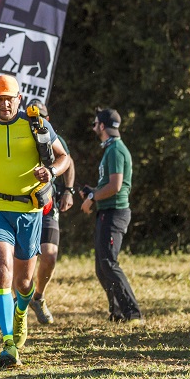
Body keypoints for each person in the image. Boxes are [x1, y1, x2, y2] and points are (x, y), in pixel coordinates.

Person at [0, 75, 73, 368]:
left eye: (10, 98)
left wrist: (52, 173)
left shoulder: (36, 126)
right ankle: (8, 342)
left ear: (18, 99)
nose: (5, 104)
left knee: (23, 282)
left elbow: (64, 158)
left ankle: (21, 313)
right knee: (3, 271)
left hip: (30, 210)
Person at [81, 108, 142, 324]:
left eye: (95, 123)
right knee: (101, 266)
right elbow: (109, 183)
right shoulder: (111, 149)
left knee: (108, 263)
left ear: (103, 126)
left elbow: (115, 186)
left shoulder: (116, 149)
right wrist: (92, 191)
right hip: (107, 212)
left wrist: (92, 198)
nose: (94, 126)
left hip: (114, 212)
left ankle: (133, 314)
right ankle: (117, 313)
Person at [26, 99, 72, 326]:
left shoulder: (52, 135)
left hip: (47, 205)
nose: (37, 120)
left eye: (41, 116)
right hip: (23, 204)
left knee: (50, 255)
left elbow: (68, 161)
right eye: (34, 116)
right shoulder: (20, 133)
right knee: (24, 258)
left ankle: (39, 296)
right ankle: (19, 302)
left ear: (48, 118)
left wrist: (69, 191)